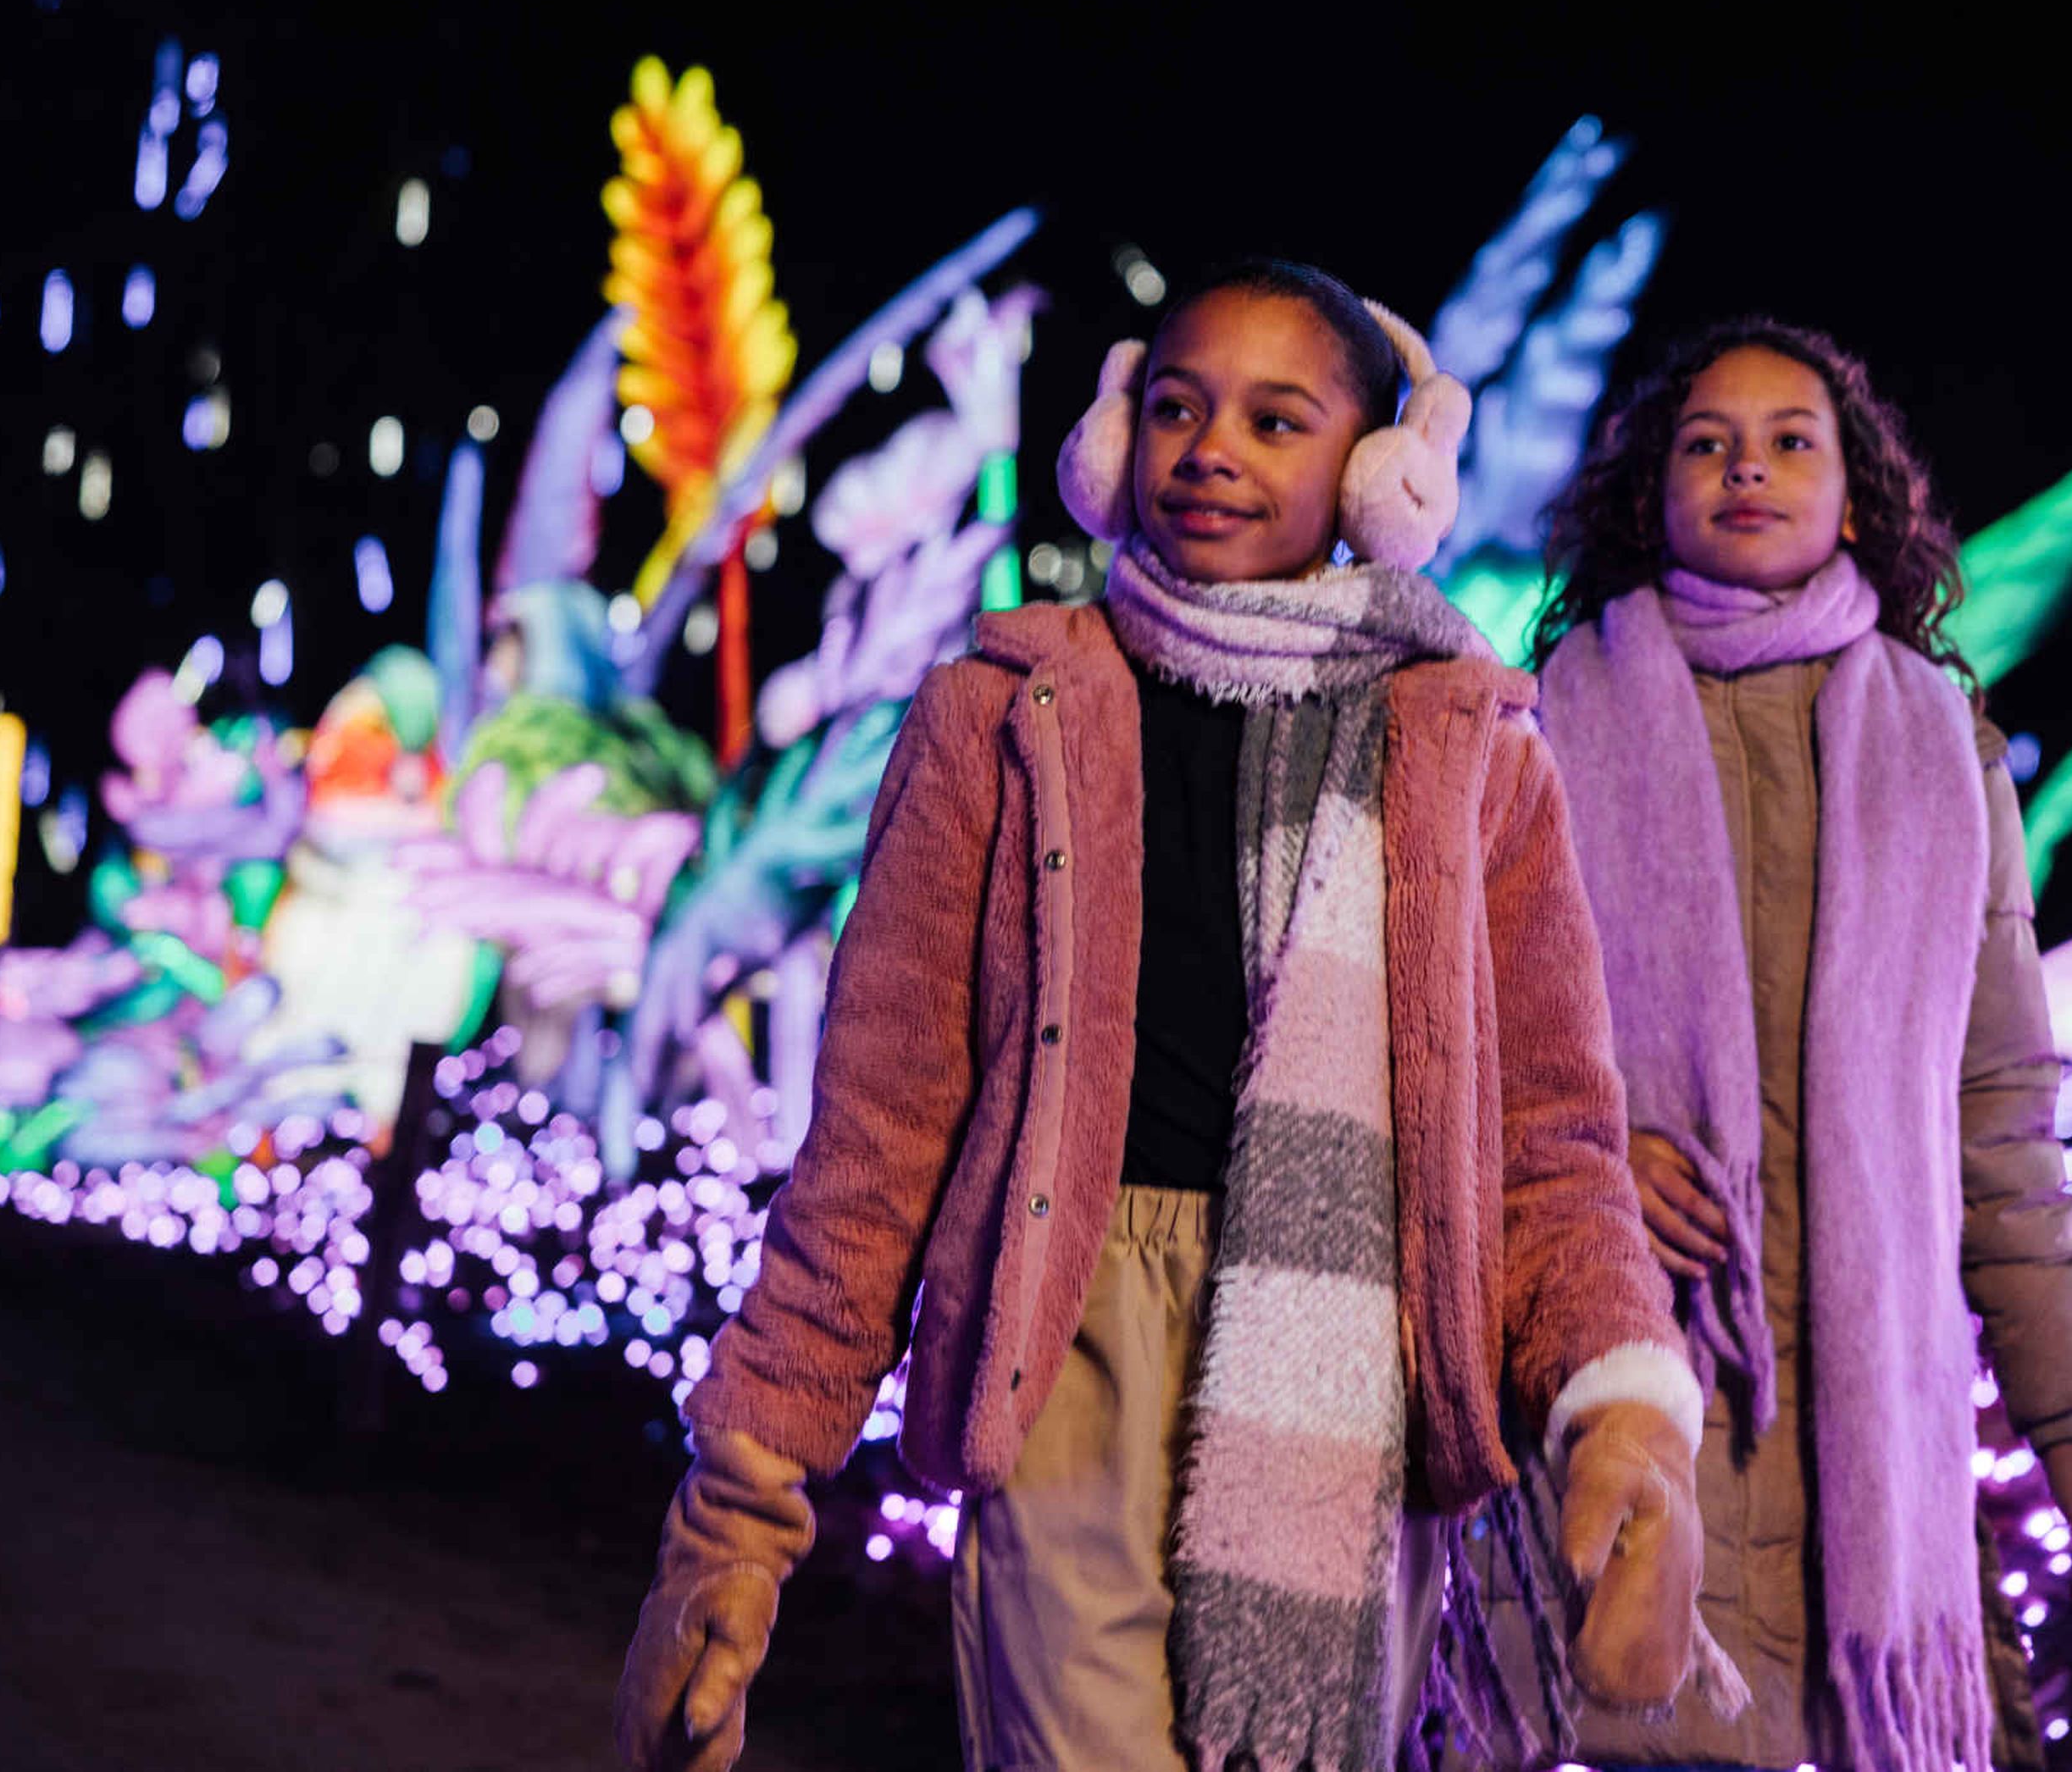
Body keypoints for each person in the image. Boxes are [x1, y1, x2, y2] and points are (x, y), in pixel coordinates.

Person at [615, 261, 1708, 1772]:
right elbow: (876, 1136)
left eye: (1277, 420)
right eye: (1178, 407)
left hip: (1352, 1363)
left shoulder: (1472, 757)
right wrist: (734, 1519)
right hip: (1065, 1336)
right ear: (1117, 444)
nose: (1213, 451)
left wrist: (1627, 1419)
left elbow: (1549, 1150)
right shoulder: (1003, 717)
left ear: (1379, 474)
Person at [1512, 318, 2072, 1771]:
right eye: (1707, 443)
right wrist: (1592, 1163)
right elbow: (1472, 1056)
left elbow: (1999, 1110)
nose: (1749, 468)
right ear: (1649, 493)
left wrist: (2068, 1423)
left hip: (1880, 1418)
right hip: (1637, 1375)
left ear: (1855, 494)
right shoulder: (1543, 734)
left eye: (1793, 439)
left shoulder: (1944, 748)